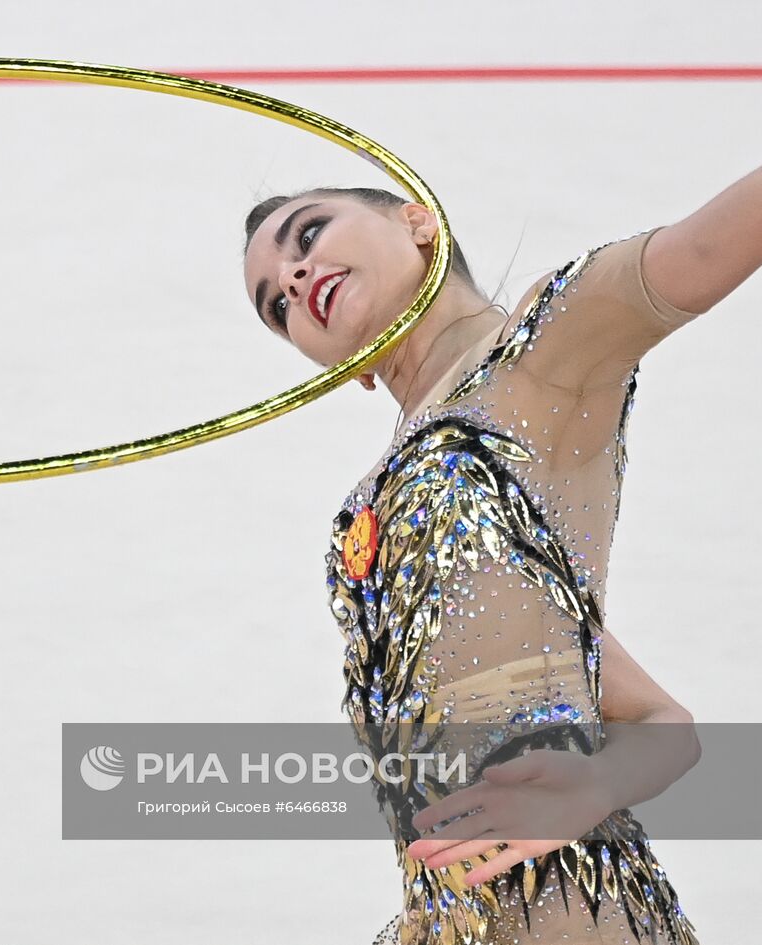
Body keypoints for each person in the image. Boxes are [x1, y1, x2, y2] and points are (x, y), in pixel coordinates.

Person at [241, 173, 761, 944]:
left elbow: (711, 244)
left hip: (576, 913)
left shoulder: (545, 346)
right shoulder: (390, 496)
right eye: (275, 305)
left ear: (421, 222)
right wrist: (604, 773)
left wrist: (592, 791)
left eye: (308, 235)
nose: (290, 280)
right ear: (342, 368)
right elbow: (663, 720)